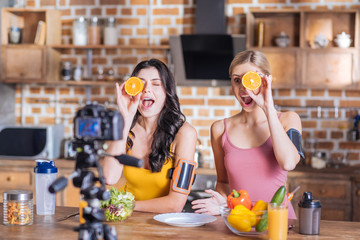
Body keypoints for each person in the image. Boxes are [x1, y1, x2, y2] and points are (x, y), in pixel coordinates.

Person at [191, 50, 304, 219]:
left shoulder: (288, 120)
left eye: (251, 79)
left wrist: (268, 109)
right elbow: (223, 182)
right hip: (238, 223)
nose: (243, 87)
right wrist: (221, 206)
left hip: (277, 224)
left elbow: (288, 162)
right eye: (237, 80)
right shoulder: (220, 129)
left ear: (266, 80)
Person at [102, 59, 197, 213]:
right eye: (141, 84)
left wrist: (126, 205)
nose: (146, 90)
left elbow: (175, 204)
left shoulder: (185, 134)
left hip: (162, 225)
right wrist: (126, 117)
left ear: (167, 91)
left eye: (156, 84)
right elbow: (109, 177)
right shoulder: (125, 128)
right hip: (128, 221)